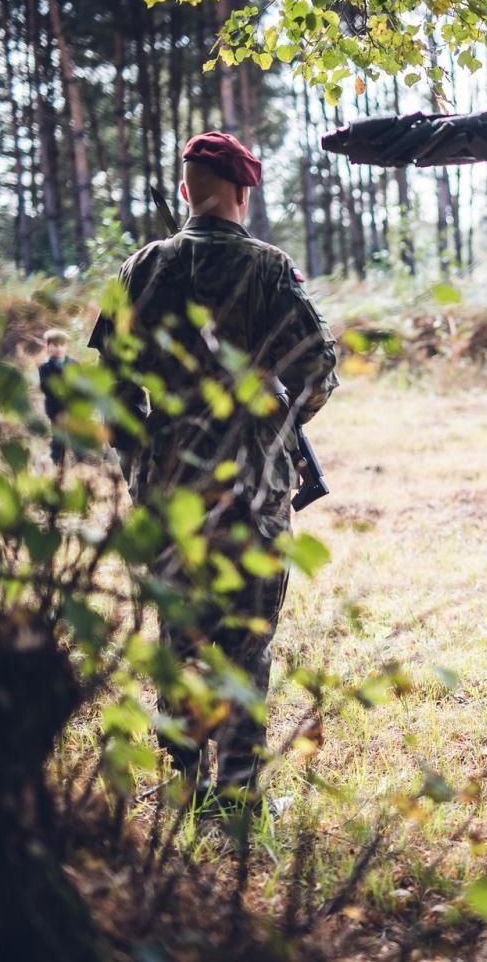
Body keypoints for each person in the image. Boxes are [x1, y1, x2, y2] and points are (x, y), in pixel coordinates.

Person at [90, 130, 339, 800]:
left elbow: (108, 381)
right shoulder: (266, 268)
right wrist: (274, 429)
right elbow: (318, 372)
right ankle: (236, 792)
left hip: (167, 489)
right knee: (246, 640)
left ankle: (181, 781)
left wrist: (142, 453)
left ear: (184, 192)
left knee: (181, 634)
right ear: (243, 191)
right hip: (252, 492)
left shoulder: (142, 267)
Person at [37, 328, 74, 467]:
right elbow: (45, 387)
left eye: (61, 345)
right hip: (55, 407)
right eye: (54, 345)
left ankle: (78, 463)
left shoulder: (73, 364)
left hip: (72, 407)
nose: (58, 348)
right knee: (58, 436)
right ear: (48, 347)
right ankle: (56, 463)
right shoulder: (45, 367)